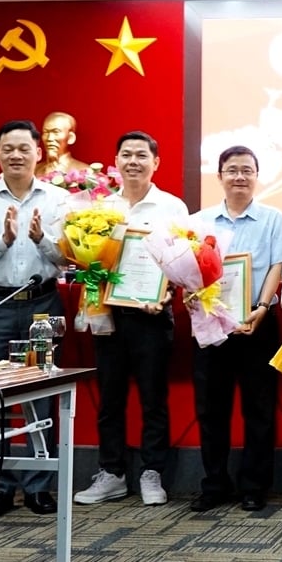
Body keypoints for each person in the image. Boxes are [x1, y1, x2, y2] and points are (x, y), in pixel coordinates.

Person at [73, 131, 188, 507]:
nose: (133, 161)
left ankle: (152, 473)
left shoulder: (171, 207)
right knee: (110, 398)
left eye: (142, 155)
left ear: (156, 162)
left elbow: (183, 264)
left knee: (153, 398)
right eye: (126, 154)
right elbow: (88, 260)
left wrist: (167, 294)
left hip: (152, 316)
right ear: (117, 161)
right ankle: (113, 472)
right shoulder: (100, 207)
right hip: (108, 315)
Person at [189, 146, 282, 512]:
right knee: (211, 409)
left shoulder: (274, 218)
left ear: (256, 176)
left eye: (247, 170)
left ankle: (254, 486)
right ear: (219, 177)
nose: (240, 177)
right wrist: (192, 296)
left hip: (256, 322)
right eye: (232, 170)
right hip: (211, 323)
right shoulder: (199, 221)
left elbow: (277, 267)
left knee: (259, 408)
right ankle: (214, 485)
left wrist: (262, 308)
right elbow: (191, 274)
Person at [0, 120, 69, 519]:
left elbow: (68, 260)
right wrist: (3, 240)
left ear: (38, 153)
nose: (16, 155)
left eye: (23, 148)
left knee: (41, 395)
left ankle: (38, 487)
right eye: (8, 148)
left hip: (43, 306)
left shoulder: (58, 200)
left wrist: (39, 239)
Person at [36, 112, 89, 178]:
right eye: (46, 132)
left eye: (56, 132)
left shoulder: (86, 172)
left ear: (70, 137)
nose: (49, 138)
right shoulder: (33, 171)